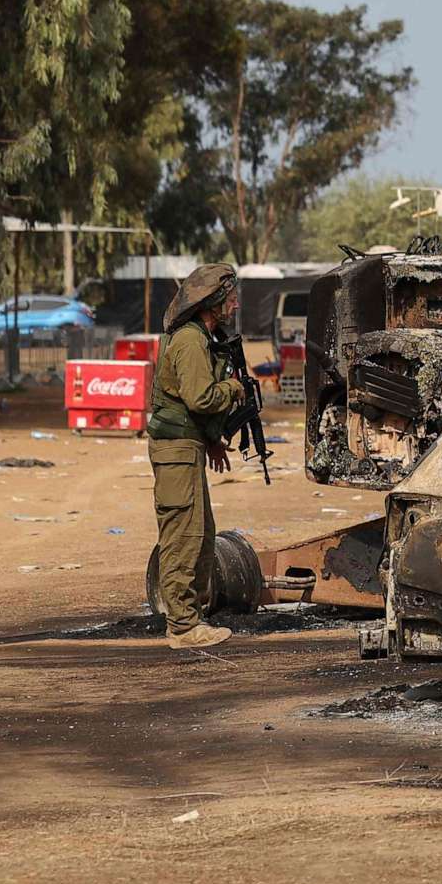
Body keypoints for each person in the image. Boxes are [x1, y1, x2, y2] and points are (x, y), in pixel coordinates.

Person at [147, 263, 250, 650]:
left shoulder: (201, 339)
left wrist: (211, 441)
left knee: (201, 533)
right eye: (231, 298)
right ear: (213, 302)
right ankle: (183, 627)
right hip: (175, 451)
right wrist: (233, 389)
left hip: (186, 447)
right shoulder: (191, 341)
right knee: (183, 536)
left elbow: (187, 402)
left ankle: (191, 617)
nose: (235, 304)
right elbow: (200, 397)